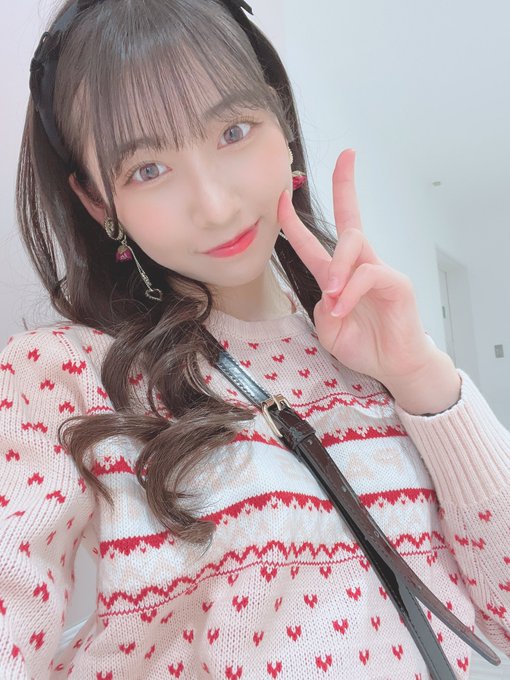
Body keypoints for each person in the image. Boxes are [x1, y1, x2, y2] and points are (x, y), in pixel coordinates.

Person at [0, 0, 509, 678]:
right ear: (98, 202)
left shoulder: (373, 346)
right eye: (148, 169)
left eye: (233, 131)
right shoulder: (66, 373)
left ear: (282, 121)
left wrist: (422, 379)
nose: (215, 205)